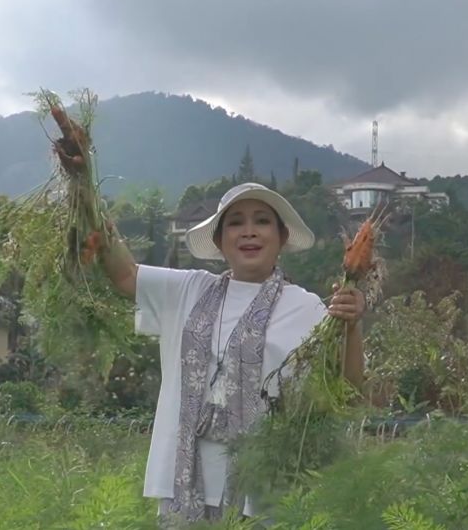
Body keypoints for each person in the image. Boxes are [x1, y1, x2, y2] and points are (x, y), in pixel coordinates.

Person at [100, 182, 365, 524]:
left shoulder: (305, 308)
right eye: (236, 222)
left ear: (282, 237)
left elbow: (347, 388)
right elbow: (125, 274)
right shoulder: (190, 289)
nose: (249, 232)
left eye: (262, 221)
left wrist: (352, 326)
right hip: (182, 488)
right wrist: (87, 198)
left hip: (261, 495)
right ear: (219, 240)